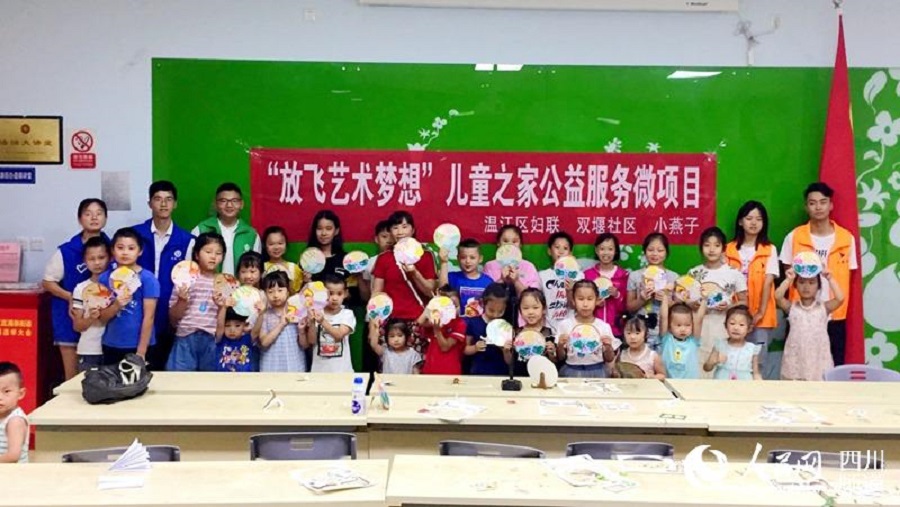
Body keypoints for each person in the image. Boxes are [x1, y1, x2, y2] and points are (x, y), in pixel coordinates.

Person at [780, 182, 857, 366]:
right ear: (806, 207)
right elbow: (788, 274)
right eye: (812, 203)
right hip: (801, 313)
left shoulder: (846, 238)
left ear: (831, 205)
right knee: (798, 364)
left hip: (834, 314)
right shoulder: (794, 237)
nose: (818, 207)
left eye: (823, 202)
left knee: (833, 366)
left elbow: (849, 275)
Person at [42, 198, 108, 380]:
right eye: (88, 214)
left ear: (106, 218)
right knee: (72, 378)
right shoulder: (66, 251)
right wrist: (70, 297)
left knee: (102, 379)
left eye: (99, 213)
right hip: (70, 317)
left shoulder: (113, 249)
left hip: (102, 323)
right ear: (80, 219)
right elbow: (47, 282)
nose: (94, 218)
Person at [133, 180, 195, 370]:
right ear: (149, 203)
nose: (163, 204)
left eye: (168, 199)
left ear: (175, 204)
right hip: (137, 309)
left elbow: (189, 279)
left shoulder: (187, 240)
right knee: (135, 367)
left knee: (164, 368)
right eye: (158, 199)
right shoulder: (135, 235)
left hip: (170, 310)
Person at [725, 201, 779, 373]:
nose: (754, 223)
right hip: (734, 315)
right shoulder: (728, 249)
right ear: (740, 222)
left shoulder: (769, 249)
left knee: (758, 362)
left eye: (759, 219)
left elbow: (768, 282)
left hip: (761, 317)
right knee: (732, 361)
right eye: (749, 218)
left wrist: (760, 312)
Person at [688, 227, 747, 378]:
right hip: (699, 325)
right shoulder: (694, 273)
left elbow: (744, 302)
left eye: (716, 245)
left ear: (723, 248)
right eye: (707, 245)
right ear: (701, 248)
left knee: (722, 364)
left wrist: (729, 307)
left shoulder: (734, 273)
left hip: (724, 325)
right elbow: (687, 301)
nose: (712, 249)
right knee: (699, 362)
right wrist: (692, 305)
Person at [371, 211, 437, 349]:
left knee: (417, 362)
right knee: (391, 361)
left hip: (419, 320)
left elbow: (429, 290)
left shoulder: (426, 256)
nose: (400, 232)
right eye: (395, 228)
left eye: (404, 227)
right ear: (390, 232)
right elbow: (376, 294)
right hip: (391, 323)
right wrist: (373, 326)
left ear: (413, 230)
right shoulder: (384, 258)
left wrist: (414, 273)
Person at [98, 228, 160, 364]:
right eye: (120, 248)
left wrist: (141, 352)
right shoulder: (105, 278)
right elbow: (102, 317)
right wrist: (116, 305)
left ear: (140, 251)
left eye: (131, 248)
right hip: (111, 344)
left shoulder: (147, 278)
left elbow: (149, 317)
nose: (125, 252)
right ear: (113, 250)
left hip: (140, 346)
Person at [167, 233, 227, 371]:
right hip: (185, 336)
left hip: (211, 339)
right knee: (179, 379)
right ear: (196, 255)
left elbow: (223, 317)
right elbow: (173, 318)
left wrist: (222, 306)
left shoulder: (224, 283)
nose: (213, 256)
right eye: (208, 252)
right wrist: (182, 300)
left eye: (218, 253)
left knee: (208, 381)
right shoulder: (184, 278)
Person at [776, 269, 844, 381]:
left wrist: (830, 278)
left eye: (812, 283)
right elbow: (778, 296)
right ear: (795, 285)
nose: (806, 287)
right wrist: (788, 279)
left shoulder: (824, 308)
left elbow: (840, 298)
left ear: (818, 286)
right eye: (801, 282)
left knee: (819, 388)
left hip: (818, 358)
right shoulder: (791, 307)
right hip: (795, 358)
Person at [192, 182, 261, 275]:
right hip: (207, 283)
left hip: (240, 284)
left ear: (241, 204)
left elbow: (256, 269)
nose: (229, 205)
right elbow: (191, 265)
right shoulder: (201, 229)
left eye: (234, 201)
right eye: (223, 201)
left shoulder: (251, 234)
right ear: (216, 204)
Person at [626, 233, 678, 351]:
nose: (655, 254)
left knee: (663, 362)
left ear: (666, 252)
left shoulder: (673, 277)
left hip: (666, 331)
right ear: (644, 251)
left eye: (660, 250)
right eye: (650, 250)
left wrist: (665, 300)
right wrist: (642, 299)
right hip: (640, 332)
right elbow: (630, 307)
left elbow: (677, 309)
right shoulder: (635, 276)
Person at [556, 280, 619, 378]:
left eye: (590, 299)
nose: (585, 304)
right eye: (580, 299)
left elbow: (609, 358)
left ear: (597, 300)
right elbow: (561, 357)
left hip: (598, 371)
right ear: (573, 301)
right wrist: (560, 345)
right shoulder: (565, 325)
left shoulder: (603, 326)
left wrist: (608, 347)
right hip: (571, 371)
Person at [482, 225, 541, 324]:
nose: (510, 245)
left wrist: (516, 281)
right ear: (498, 243)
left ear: (520, 244)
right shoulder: (490, 266)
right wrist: (501, 280)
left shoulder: (528, 266)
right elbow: (485, 296)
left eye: (514, 241)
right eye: (505, 241)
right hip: (494, 321)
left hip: (522, 322)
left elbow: (534, 299)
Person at [69, 236, 111, 372]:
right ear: (85, 261)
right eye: (92, 259)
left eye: (101, 257)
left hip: (114, 349)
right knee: (90, 385)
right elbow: (77, 326)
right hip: (89, 350)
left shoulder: (117, 285)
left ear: (110, 258)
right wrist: (91, 318)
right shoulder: (80, 288)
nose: (97, 263)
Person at [254, 271, 307, 372]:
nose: (275, 295)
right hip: (271, 367)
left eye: (280, 290)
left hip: (295, 365)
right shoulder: (264, 315)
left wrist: (301, 331)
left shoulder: (297, 312)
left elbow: (305, 345)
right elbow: (264, 342)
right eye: (270, 291)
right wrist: (281, 324)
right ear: (265, 294)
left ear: (288, 291)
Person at [307, 275, 357, 373]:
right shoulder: (317, 311)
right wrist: (312, 322)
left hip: (342, 371)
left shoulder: (347, 314)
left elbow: (339, 335)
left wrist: (322, 321)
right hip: (319, 371)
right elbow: (311, 341)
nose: (334, 298)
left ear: (345, 294)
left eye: (339, 294)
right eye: (330, 293)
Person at [583, 233, 629, 338]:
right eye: (602, 249)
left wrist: (617, 295)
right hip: (592, 329)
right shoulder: (587, 275)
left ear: (615, 251)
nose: (606, 253)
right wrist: (594, 303)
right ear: (596, 250)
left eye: (610, 249)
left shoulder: (623, 275)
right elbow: (581, 303)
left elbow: (627, 307)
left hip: (616, 330)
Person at [464, 283, 512, 375]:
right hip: (478, 372)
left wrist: (505, 351)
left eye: (500, 311)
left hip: (500, 373)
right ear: (482, 303)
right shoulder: (473, 323)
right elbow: (465, 349)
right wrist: (475, 348)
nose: (495, 315)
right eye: (491, 310)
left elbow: (510, 361)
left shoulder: (506, 327)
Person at [703, 305, 762, 380]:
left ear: (749, 328)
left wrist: (760, 383)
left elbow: (756, 373)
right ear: (725, 325)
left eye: (741, 325)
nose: (736, 328)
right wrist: (713, 361)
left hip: (744, 384)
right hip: (722, 382)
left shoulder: (752, 348)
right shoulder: (720, 345)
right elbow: (706, 368)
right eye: (732, 323)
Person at [419, 286, 467, 375]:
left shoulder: (460, 324)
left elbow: (445, 347)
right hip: (430, 370)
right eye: (448, 307)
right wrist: (432, 305)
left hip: (450, 371)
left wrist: (437, 330)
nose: (452, 309)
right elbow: (420, 322)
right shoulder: (435, 320)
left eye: (455, 306)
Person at [659, 294, 707, 379]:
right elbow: (663, 317)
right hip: (668, 382)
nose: (683, 329)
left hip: (689, 384)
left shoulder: (693, 341)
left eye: (687, 325)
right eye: (678, 325)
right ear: (669, 326)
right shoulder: (666, 339)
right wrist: (665, 295)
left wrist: (704, 299)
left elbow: (699, 320)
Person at [439, 238, 493, 316]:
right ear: (458, 258)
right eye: (463, 257)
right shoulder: (452, 277)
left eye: (472, 257)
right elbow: (442, 291)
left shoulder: (488, 282)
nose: (468, 261)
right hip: (458, 322)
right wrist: (443, 262)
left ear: (480, 259)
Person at [514, 288, 557, 375]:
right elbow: (510, 361)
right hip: (520, 375)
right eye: (525, 308)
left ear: (544, 309)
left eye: (535, 308)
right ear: (520, 311)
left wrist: (552, 353)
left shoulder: (548, 333)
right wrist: (506, 351)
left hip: (542, 375)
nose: (530, 312)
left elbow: (554, 361)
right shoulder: (516, 333)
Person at [538, 232, 575, 333]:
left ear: (570, 253)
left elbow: (575, 305)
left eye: (565, 248)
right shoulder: (542, 275)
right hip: (548, 327)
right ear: (549, 251)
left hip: (570, 328)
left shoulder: (578, 276)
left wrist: (570, 290)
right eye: (557, 247)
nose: (561, 251)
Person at [359, 219, 394, 303]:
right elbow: (366, 297)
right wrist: (359, 275)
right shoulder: (370, 263)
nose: (389, 241)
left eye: (392, 237)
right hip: (376, 307)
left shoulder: (402, 261)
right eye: (384, 236)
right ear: (376, 239)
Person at [0, 362, 28, 464]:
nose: (0, 397)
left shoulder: (15, 421)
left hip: (13, 472)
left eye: (6, 391)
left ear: (20, 394)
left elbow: (13, 456)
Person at [262, 226, 303, 294]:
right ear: (265, 246)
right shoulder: (261, 268)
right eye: (271, 244)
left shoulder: (294, 268)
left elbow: (298, 294)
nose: (276, 247)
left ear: (286, 245)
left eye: (280, 243)